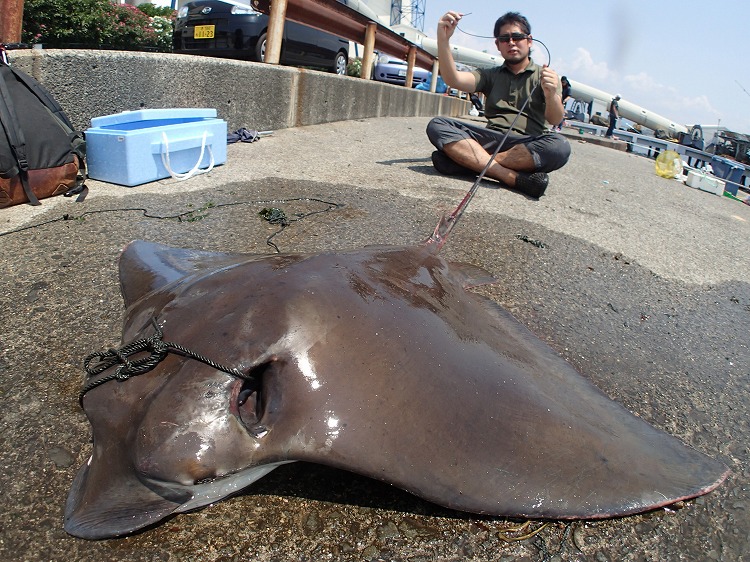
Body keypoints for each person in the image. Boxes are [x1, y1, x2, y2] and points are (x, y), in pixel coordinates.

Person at [426, 10, 571, 198]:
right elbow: (454, 79)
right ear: (497, 44)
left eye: (517, 37)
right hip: (490, 139)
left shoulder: (546, 76)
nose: (511, 42)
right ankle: (512, 178)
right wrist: (443, 39)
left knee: (560, 146)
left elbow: (555, 118)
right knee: (438, 125)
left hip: (527, 144)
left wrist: (551, 94)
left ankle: (467, 163)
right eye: (504, 38)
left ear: (529, 40)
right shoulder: (490, 75)